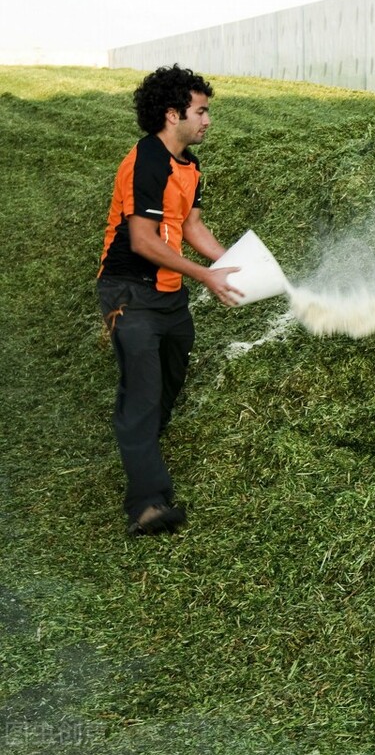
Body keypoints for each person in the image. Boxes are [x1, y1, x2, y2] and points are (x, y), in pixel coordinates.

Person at [97, 64, 243, 536]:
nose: (207, 120)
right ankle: (147, 504)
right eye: (200, 111)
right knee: (141, 394)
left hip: (168, 296)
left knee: (169, 379)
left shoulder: (190, 166)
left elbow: (193, 228)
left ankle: (141, 449)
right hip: (129, 292)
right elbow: (142, 240)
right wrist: (206, 276)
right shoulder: (147, 160)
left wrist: (241, 268)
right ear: (171, 113)